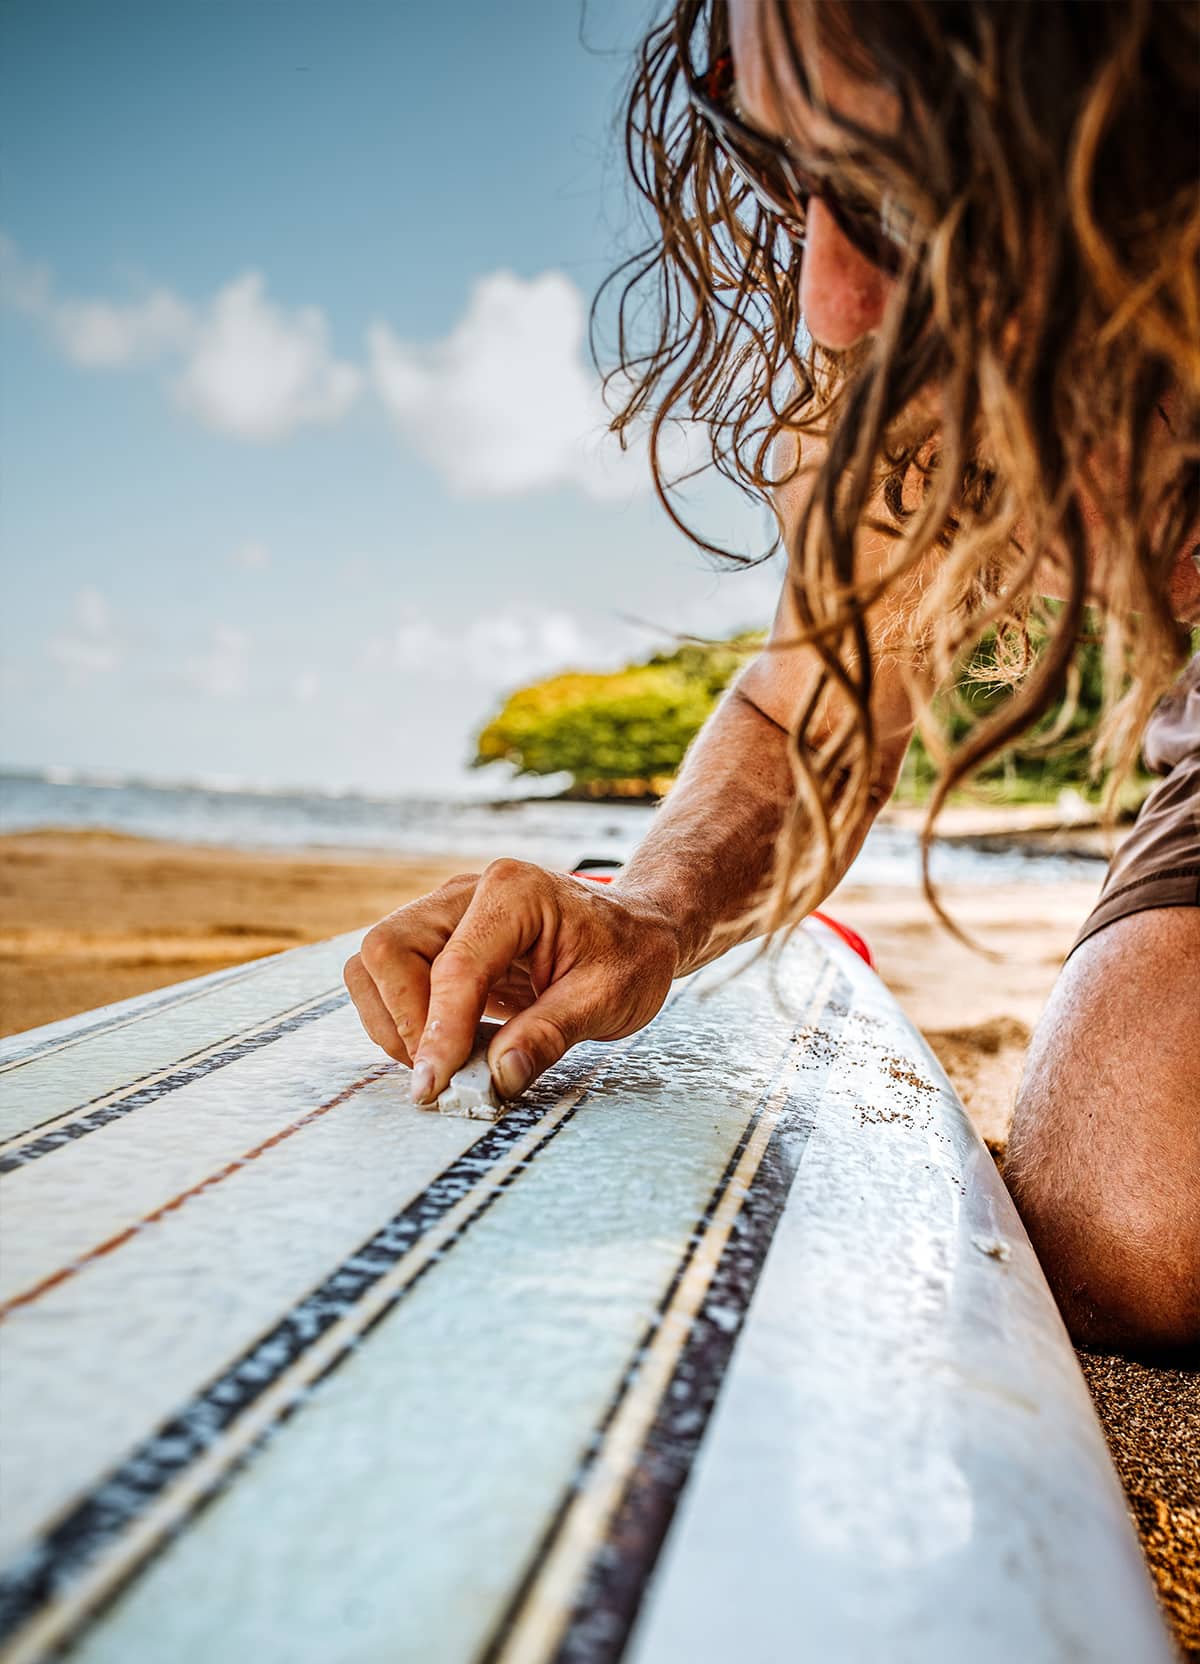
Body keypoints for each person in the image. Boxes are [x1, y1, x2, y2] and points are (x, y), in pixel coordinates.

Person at [345, 0, 1199, 1357]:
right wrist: (652, 910)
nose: (831, 301)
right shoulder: (898, 389)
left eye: (898, 183)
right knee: (1142, 1223)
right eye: (791, 173)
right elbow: (811, 704)